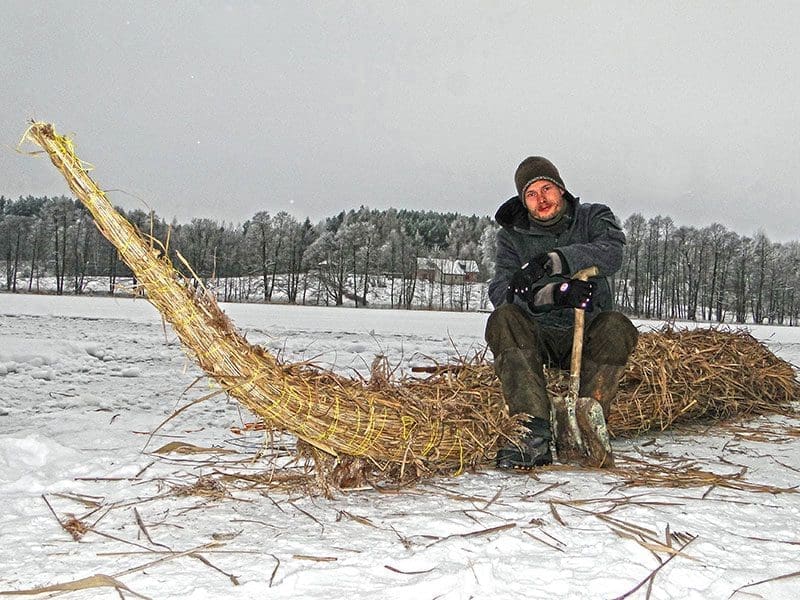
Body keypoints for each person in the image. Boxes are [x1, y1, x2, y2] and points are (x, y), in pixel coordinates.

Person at [485, 156, 638, 469]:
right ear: (523, 202)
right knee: (504, 319)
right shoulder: (512, 237)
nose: (541, 199)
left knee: (618, 326)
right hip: (537, 336)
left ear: (561, 189)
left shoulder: (593, 217)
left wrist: (555, 261)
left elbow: (612, 251)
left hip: (587, 332)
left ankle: (590, 415)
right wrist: (554, 295)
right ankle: (533, 432)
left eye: (546, 189)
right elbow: (501, 293)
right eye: (531, 194)